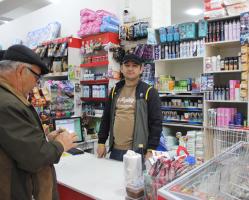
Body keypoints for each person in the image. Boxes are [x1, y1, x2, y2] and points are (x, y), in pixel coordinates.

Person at [0, 44, 78, 200]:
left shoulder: (9, 97)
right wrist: (61, 145)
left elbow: (17, 146)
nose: (36, 85)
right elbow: (34, 158)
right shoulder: (7, 103)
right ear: (21, 71)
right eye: (36, 78)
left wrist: (46, 140)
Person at [97, 53, 162, 161]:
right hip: (115, 151)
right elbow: (106, 118)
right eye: (127, 65)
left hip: (138, 152)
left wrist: (151, 149)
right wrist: (101, 142)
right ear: (121, 68)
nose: (130, 68)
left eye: (135, 66)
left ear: (141, 69)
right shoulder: (114, 91)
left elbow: (156, 123)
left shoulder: (149, 92)